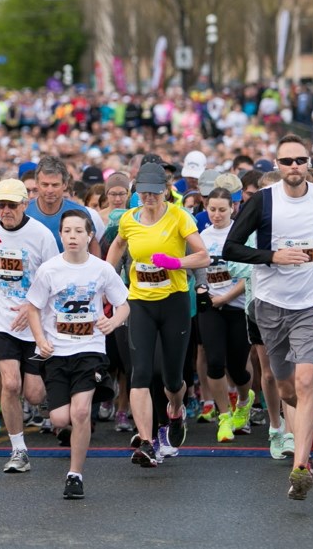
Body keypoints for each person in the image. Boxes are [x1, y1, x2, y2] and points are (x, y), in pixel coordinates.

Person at [223, 134, 313, 501]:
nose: (294, 167)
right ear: (278, 166)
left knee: (306, 384)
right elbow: (231, 247)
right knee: (285, 387)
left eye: (300, 160)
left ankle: (300, 466)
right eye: (287, 162)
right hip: (270, 306)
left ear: (309, 163)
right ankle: (304, 428)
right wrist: (273, 257)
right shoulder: (264, 202)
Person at [105, 162, 208, 469]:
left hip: (174, 302)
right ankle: (148, 441)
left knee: (172, 379)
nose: (148, 199)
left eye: (154, 193)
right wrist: (107, 278)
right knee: (140, 374)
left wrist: (176, 262)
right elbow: (118, 246)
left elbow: (204, 255)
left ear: (165, 191)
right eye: (143, 193)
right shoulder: (128, 219)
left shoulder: (179, 216)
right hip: (140, 304)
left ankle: (176, 413)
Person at [26, 210, 129, 499]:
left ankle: (75, 475)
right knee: (60, 419)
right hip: (57, 352)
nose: (72, 236)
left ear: (89, 235)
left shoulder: (101, 269)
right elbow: (33, 307)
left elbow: (124, 304)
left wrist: (113, 321)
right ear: (61, 235)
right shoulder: (49, 270)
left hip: (90, 349)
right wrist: (39, 339)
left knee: (81, 411)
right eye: (67, 231)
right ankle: (74, 427)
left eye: (78, 231)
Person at [0, 178, 58, 473]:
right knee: (11, 384)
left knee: (34, 394)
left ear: (24, 205)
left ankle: (49, 395)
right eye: (0, 205)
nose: (5, 211)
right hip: (0, 317)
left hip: (35, 321)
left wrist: (32, 306)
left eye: (11, 205)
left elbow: (55, 278)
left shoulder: (40, 235)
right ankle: (19, 450)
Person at [196, 187, 255, 442]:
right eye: (212, 210)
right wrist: (203, 291)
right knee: (215, 361)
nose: (217, 215)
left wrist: (225, 297)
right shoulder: (201, 236)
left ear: (233, 208)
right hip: (210, 306)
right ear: (205, 209)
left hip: (237, 305)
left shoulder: (241, 235)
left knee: (238, 366)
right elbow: (196, 269)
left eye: (222, 209)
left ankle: (244, 398)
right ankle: (224, 416)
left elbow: (251, 274)